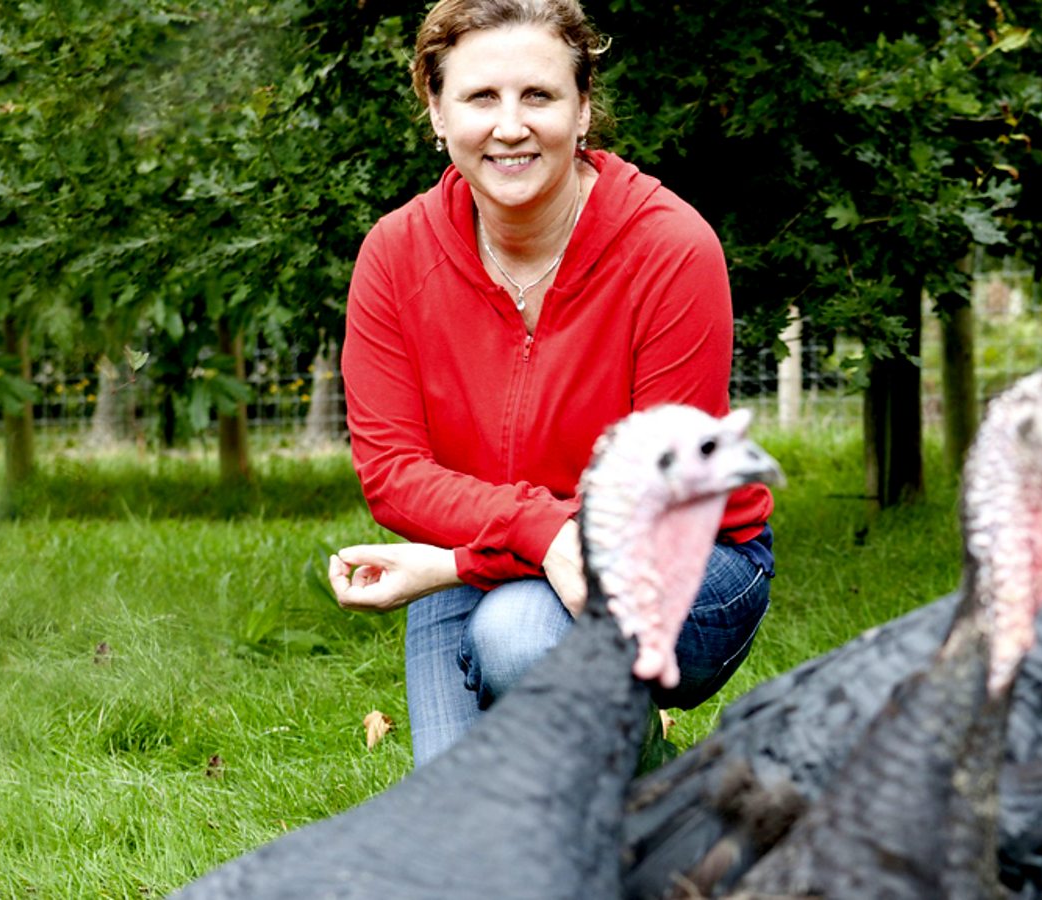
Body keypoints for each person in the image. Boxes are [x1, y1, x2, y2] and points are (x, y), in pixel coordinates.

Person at [328, 0, 775, 767]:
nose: (510, 126)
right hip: (485, 563)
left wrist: (460, 562)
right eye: (480, 97)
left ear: (583, 109)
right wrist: (536, 535)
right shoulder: (395, 257)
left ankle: (643, 813)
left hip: (685, 562)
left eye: (538, 96)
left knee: (521, 634)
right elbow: (394, 478)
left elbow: (663, 489)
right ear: (436, 111)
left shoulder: (670, 247)